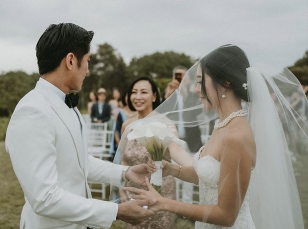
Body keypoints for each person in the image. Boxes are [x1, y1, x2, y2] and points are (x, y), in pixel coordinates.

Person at [127, 45, 306, 228]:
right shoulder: (222, 124)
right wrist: (173, 170)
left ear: (225, 82)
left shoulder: (236, 136)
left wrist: (165, 203)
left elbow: (226, 216)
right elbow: (211, 177)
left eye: (200, 81)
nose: (197, 89)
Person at [4, 22, 156, 229]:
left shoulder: (70, 107)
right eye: (87, 61)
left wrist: (124, 173)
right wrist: (116, 211)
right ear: (70, 60)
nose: (88, 70)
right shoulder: (32, 111)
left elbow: (78, 163)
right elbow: (44, 198)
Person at [115, 76, 193, 229]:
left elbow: (176, 150)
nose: (137, 97)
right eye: (134, 92)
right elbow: (124, 160)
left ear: (154, 96)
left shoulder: (165, 123)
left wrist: (197, 168)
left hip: (161, 191)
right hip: (134, 191)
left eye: (143, 92)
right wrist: (121, 188)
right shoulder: (127, 125)